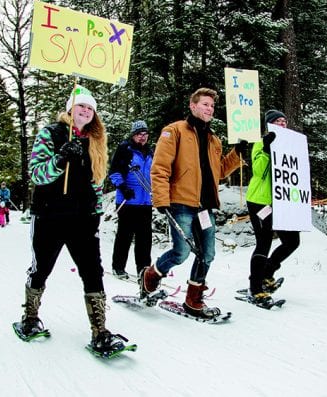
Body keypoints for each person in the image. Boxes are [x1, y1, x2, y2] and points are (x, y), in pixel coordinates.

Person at [15, 85, 125, 352]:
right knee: (42, 268)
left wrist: (96, 212)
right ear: (70, 109)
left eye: (90, 108)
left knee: (93, 272)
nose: (86, 111)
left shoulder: (96, 141)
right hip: (50, 215)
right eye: (81, 106)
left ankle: (100, 331)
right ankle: (30, 317)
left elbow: (97, 183)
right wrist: (60, 157)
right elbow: (37, 175)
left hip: (83, 219)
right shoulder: (50, 134)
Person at [142, 87, 248, 318]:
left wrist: (237, 152)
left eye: (212, 105)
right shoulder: (174, 131)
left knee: (207, 254)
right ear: (193, 105)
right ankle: (152, 274)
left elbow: (218, 171)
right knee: (180, 253)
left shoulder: (213, 140)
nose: (210, 109)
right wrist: (161, 199)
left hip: (205, 206)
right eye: (205, 104)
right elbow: (160, 168)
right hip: (181, 202)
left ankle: (193, 299)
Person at [245, 109, 300, 304]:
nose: (282, 125)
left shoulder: (290, 146)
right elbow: (259, 172)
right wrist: (267, 150)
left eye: (284, 122)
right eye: (278, 122)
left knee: (292, 241)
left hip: (282, 202)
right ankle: (255, 286)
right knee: (264, 242)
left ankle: (267, 272)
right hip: (260, 201)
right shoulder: (261, 143)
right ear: (270, 125)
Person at [108, 120, 154, 280]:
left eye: (145, 134)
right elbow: (113, 171)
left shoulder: (150, 152)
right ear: (133, 135)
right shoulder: (125, 149)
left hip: (146, 202)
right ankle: (118, 267)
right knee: (125, 236)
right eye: (139, 134)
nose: (142, 137)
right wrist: (122, 187)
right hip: (127, 201)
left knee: (145, 238)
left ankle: (144, 270)